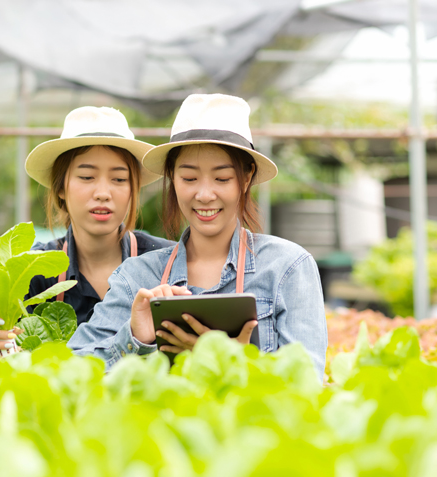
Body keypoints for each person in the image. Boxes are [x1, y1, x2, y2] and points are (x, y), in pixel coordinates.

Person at [67, 94, 328, 380]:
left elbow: (307, 385)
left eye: (222, 178)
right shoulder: (138, 277)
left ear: (246, 178)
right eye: (189, 178)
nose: (204, 195)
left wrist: (238, 363)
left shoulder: (287, 268)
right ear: (172, 177)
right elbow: (74, 369)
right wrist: (135, 339)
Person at [0, 106, 174, 353]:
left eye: (119, 179)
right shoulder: (36, 267)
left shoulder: (167, 261)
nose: (103, 193)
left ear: (133, 188)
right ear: (60, 188)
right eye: (87, 177)